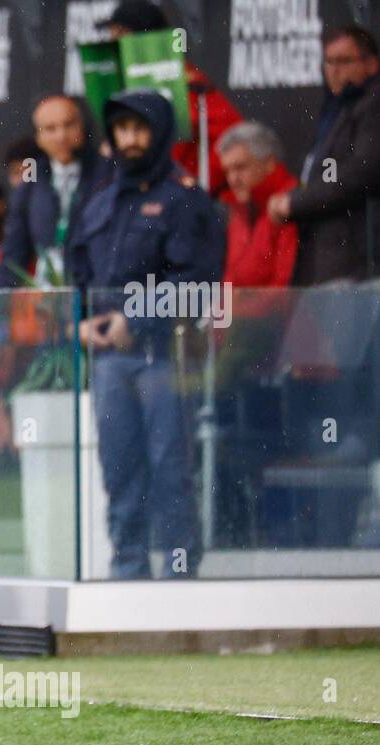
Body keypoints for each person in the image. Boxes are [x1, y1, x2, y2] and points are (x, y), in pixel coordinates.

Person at [68, 88, 223, 580]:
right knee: (119, 467)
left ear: (160, 133)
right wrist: (81, 318)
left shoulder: (184, 198)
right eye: (122, 129)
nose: (130, 139)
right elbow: (79, 274)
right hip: (108, 359)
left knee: (170, 467)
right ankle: (128, 569)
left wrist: (134, 320)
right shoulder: (97, 200)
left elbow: (197, 279)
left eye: (141, 128)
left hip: (166, 353)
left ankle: (179, 572)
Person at [268, 26, 380, 284]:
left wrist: (296, 202)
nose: (334, 69)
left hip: (357, 261)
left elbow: (361, 172)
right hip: (327, 257)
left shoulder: (373, 105)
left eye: (343, 61)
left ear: (372, 64)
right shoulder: (338, 109)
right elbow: (330, 172)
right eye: (329, 61)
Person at [99, 0, 244, 196]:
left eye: (121, 35)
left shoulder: (185, 83)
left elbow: (234, 139)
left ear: (146, 38)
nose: (114, 44)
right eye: (112, 36)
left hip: (179, 200)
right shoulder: (126, 87)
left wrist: (196, 185)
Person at [0, 94, 111, 288]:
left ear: (83, 127)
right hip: (49, 298)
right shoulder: (30, 181)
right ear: (38, 138)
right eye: (50, 129)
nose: (61, 136)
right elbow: (13, 255)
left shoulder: (109, 173)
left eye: (69, 125)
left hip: (97, 290)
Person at [217, 122, 298, 287]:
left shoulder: (290, 204)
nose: (233, 179)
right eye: (227, 171)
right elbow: (232, 277)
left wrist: (232, 308)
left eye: (240, 168)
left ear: (269, 163)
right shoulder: (238, 207)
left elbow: (285, 288)